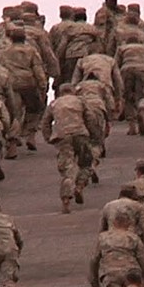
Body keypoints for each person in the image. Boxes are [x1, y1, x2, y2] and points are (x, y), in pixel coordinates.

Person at [41, 83, 101, 213]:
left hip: (62, 137)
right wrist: (95, 135)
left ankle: (67, 195)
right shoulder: (80, 101)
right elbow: (90, 118)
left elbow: (45, 122)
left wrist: (48, 137)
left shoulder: (54, 104)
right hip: (80, 134)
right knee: (86, 163)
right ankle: (79, 186)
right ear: (73, 91)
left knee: (67, 167)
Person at [0, 24, 47, 152]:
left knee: (15, 113)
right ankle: (30, 135)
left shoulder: (3, 52)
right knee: (36, 109)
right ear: (24, 38)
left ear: (11, 38)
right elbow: (38, 69)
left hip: (12, 85)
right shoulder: (31, 51)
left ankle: (12, 142)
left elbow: (0, 70)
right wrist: (42, 85)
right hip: (28, 84)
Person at [89, 213, 144, 287]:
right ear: (128, 224)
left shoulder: (103, 238)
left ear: (114, 223)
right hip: (131, 274)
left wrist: (94, 283)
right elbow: (142, 260)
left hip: (110, 273)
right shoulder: (133, 238)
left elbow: (94, 260)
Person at [114, 36, 144, 136]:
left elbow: (116, 64)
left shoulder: (122, 48)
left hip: (126, 70)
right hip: (143, 70)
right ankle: (142, 110)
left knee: (127, 97)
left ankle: (132, 127)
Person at [99, 185, 144, 255]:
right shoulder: (138, 206)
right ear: (134, 195)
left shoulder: (108, 206)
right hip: (130, 242)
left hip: (110, 243)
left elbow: (102, 229)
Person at [75, 75, 114, 180]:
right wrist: (110, 117)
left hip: (83, 107)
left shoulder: (79, 85)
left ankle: (84, 158)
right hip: (97, 106)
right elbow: (109, 101)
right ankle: (93, 163)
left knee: (85, 133)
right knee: (98, 134)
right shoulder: (101, 85)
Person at [56, 8, 103, 86]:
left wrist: (59, 59)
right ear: (85, 17)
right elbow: (99, 45)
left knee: (69, 81)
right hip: (87, 56)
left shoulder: (70, 29)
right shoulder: (92, 28)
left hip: (71, 56)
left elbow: (63, 45)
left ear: (74, 17)